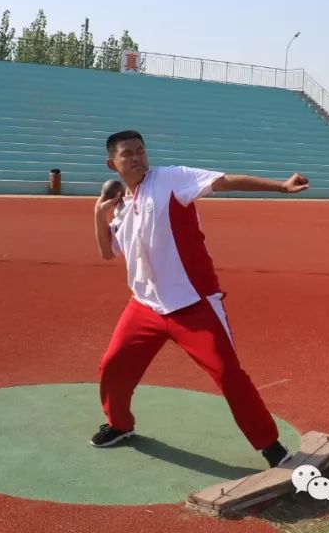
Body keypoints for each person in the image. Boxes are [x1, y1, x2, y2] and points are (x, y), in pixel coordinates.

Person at [91, 130, 309, 468]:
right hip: (145, 305)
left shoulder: (171, 179)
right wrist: (98, 214)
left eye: (140, 151)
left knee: (228, 374)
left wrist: (280, 186)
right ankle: (120, 425)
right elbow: (108, 252)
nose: (136, 158)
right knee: (113, 365)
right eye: (127, 154)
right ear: (112, 164)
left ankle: (271, 447)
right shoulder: (121, 207)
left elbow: (224, 181)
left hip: (193, 303)